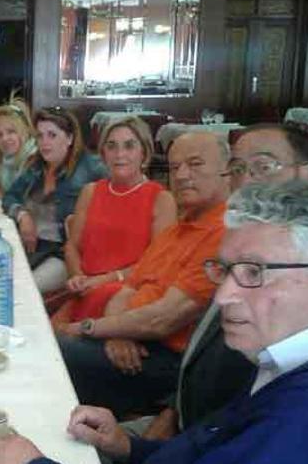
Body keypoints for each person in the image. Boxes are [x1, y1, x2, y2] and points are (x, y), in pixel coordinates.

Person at [0, 181, 308, 464]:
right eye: (226, 270)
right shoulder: (298, 358)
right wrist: (129, 445)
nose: (223, 297)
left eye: (254, 272)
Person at [143, 122, 308, 439]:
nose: (247, 180)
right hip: (185, 425)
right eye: (239, 168)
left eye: (264, 166)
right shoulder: (239, 247)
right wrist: (171, 413)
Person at [54, 132, 229, 418]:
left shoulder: (224, 233)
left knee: (54, 351)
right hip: (131, 337)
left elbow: (164, 318)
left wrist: (91, 328)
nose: (183, 175)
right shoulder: (178, 228)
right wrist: (117, 332)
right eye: (174, 168)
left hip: (167, 359)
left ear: (227, 171)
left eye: (195, 164)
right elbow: (127, 290)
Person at [51, 116, 176, 325]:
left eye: (129, 146)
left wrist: (105, 280)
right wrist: (77, 276)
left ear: (144, 153)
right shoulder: (90, 192)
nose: (120, 154)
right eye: (112, 146)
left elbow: (157, 264)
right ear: (103, 154)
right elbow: (72, 246)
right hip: (83, 291)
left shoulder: (161, 199)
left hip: (126, 296)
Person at [3, 106, 107, 293]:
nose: (44, 142)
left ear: (69, 138)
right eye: (40, 136)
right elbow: (10, 196)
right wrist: (22, 215)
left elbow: (122, 196)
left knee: (23, 290)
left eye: (52, 135)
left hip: (62, 254)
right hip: (31, 247)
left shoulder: (91, 166)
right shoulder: (36, 166)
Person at [0, 98, 38, 198]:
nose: (5, 138)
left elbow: (26, 204)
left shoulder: (34, 159)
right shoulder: (7, 159)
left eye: (11, 131)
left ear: (26, 130)